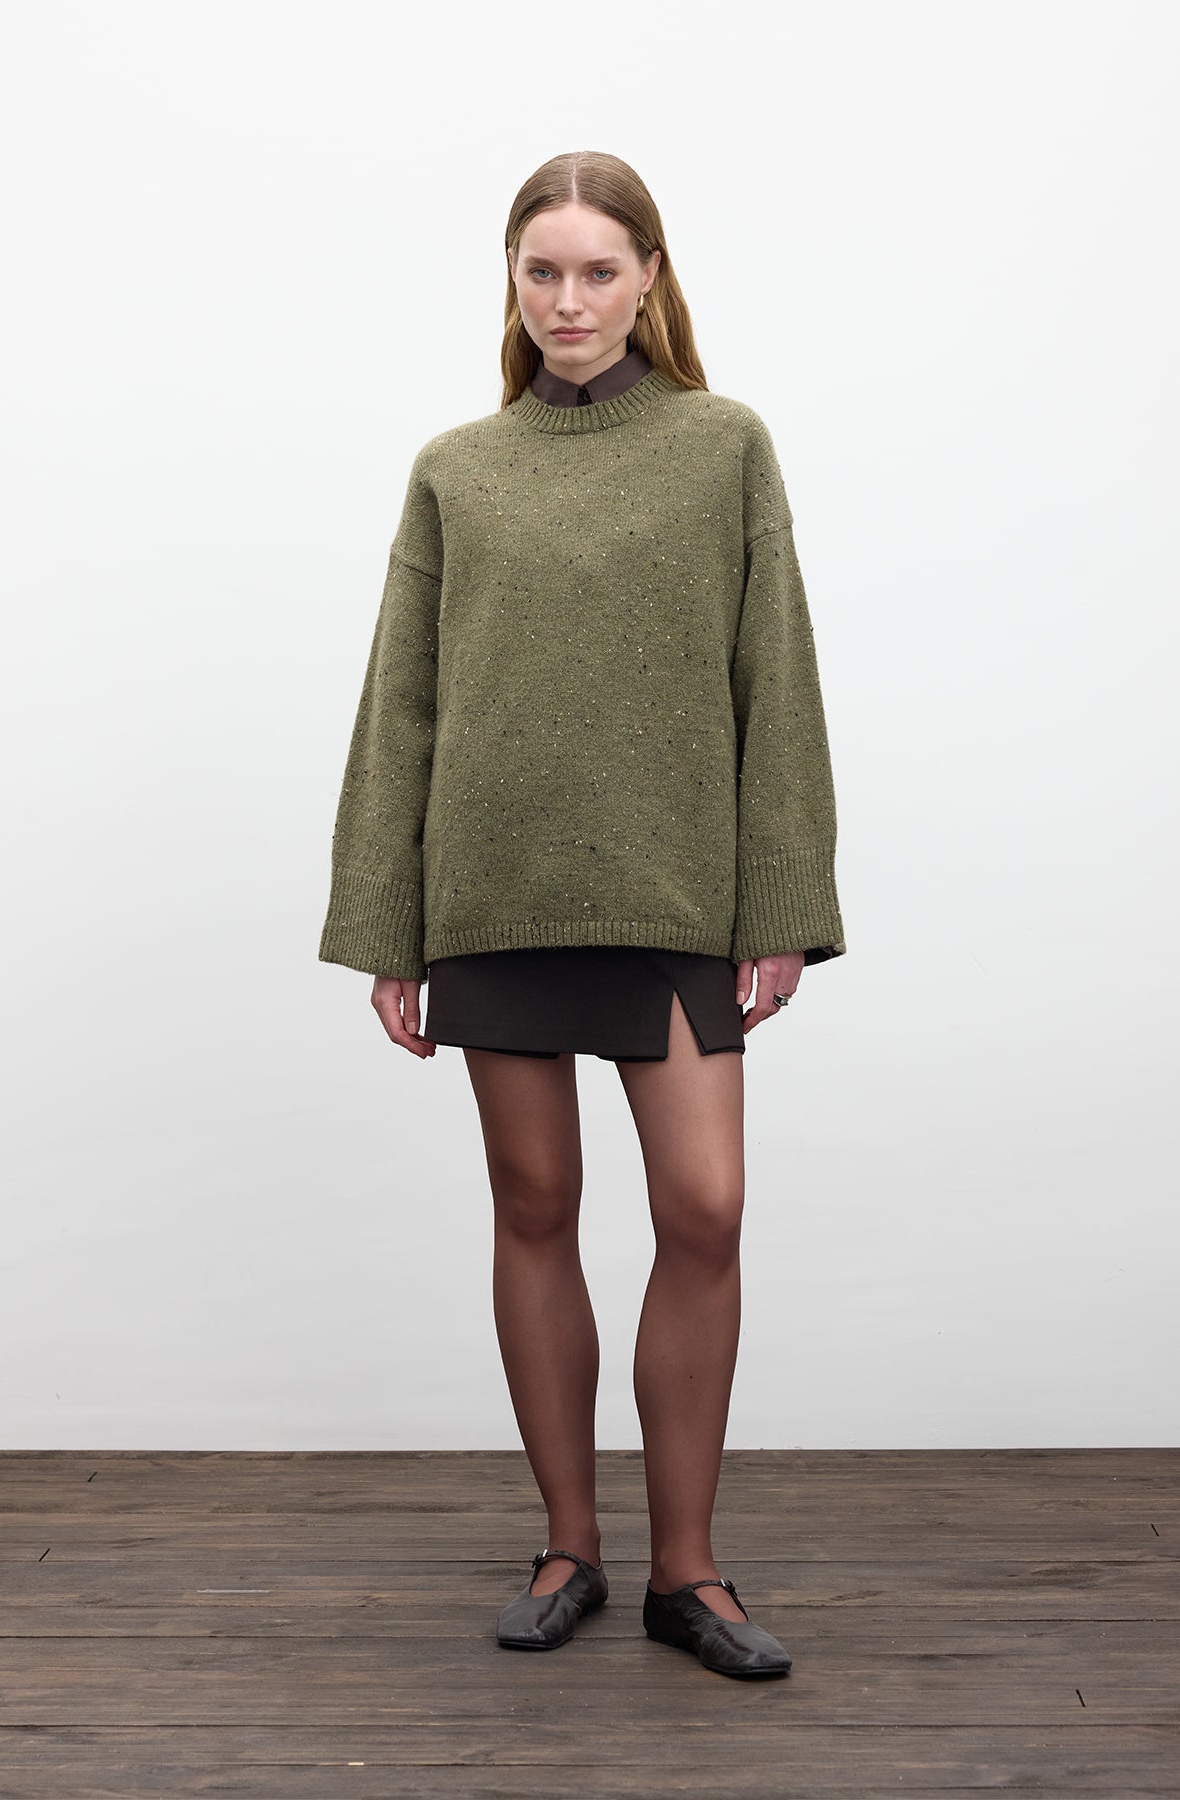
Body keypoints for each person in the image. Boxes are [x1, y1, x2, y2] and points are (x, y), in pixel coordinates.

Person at [318, 150, 846, 1679]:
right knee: (535, 1207)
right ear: (511, 281)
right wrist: (388, 925)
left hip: (677, 889)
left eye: (599, 271)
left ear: (649, 279)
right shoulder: (457, 468)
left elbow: (775, 682)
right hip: (495, 891)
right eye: (541, 272)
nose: (568, 301)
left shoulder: (723, 446)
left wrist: (781, 901)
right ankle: (569, 1549)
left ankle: (691, 1570)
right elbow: (403, 707)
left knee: (705, 1209)